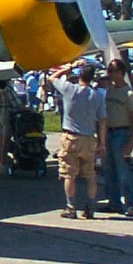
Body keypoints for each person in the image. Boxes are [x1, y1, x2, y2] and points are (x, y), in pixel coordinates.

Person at [49, 60, 106, 219]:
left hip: (71, 136)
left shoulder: (70, 90)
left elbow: (52, 78)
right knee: (90, 174)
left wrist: (69, 67)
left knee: (69, 174)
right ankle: (91, 206)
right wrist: (102, 141)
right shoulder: (98, 95)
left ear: (79, 75)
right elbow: (102, 119)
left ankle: (71, 206)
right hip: (89, 137)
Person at [102, 59, 133, 216]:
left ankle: (131, 204)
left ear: (120, 72)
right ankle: (114, 202)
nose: (109, 74)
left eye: (112, 70)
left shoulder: (129, 93)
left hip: (121, 132)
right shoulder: (108, 91)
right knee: (108, 170)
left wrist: (131, 141)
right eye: (109, 70)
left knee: (123, 171)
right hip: (107, 132)